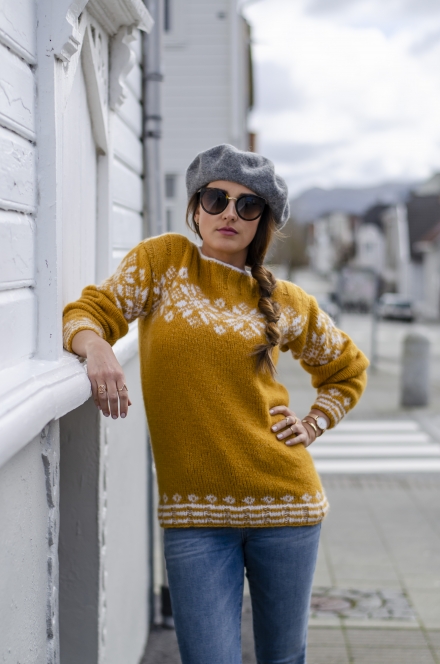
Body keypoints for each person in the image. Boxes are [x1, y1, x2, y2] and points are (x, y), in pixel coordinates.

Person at [63, 144, 368, 664]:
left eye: (248, 205)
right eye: (216, 198)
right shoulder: (163, 262)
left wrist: (315, 422)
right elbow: (91, 310)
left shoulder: (287, 301)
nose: (229, 213)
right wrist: (96, 348)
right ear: (196, 206)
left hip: (287, 507)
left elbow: (348, 369)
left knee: (283, 658)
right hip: (195, 520)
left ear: (262, 221)